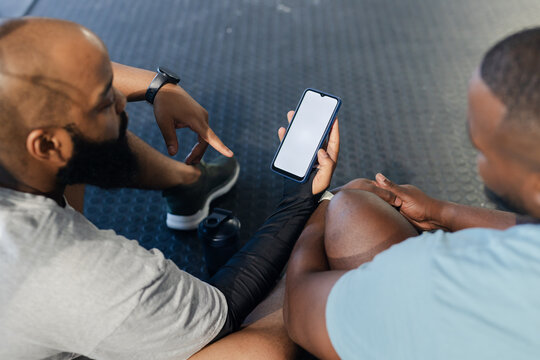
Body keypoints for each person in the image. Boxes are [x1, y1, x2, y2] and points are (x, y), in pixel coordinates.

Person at [0, 17, 341, 359]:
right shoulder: (72, 267)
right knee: (258, 352)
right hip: (58, 290)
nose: (123, 101)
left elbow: (57, 70)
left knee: (86, 131)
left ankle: (187, 181)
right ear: (45, 146)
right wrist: (303, 210)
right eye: (106, 100)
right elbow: (223, 309)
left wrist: (159, 88)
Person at [283, 27, 540, 359]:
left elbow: (300, 311)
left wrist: (318, 205)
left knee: (348, 210)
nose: (478, 164)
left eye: (482, 151)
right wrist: (441, 212)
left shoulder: (449, 281)